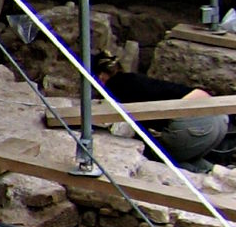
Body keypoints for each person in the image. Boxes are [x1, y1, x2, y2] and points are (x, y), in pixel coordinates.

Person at [93, 56, 229, 174]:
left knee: (157, 156)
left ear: (100, 76)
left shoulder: (117, 85)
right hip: (219, 119)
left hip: (196, 123)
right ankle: (215, 172)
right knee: (186, 157)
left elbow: (139, 120)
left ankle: (195, 174)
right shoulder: (136, 80)